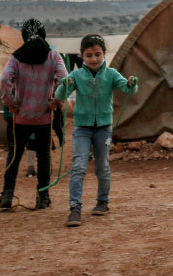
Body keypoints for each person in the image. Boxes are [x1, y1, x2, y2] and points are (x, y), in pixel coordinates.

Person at [55, 34, 138, 227]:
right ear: (82, 56)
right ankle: (75, 209)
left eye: (97, 54)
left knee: (102, 166)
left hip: (104, 129)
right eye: (89, 55)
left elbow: (128, 90)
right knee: (78, 167)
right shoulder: (75, 75)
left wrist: (132, 83)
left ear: (104, 54)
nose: (94, 59)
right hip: (82, 128)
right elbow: (60, 95)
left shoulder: (111, 74)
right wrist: (64, 85)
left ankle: (102, 202)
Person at [0, 19, 68, 211]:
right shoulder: (53, 56)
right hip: (43, 117)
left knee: (14, 155)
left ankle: (7, 195)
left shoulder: (16, 57)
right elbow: (65, 79)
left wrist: (11, 103)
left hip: (20, 117)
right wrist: (56, 102)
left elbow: (5, 79)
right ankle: (43, 197)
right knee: (43, 156)